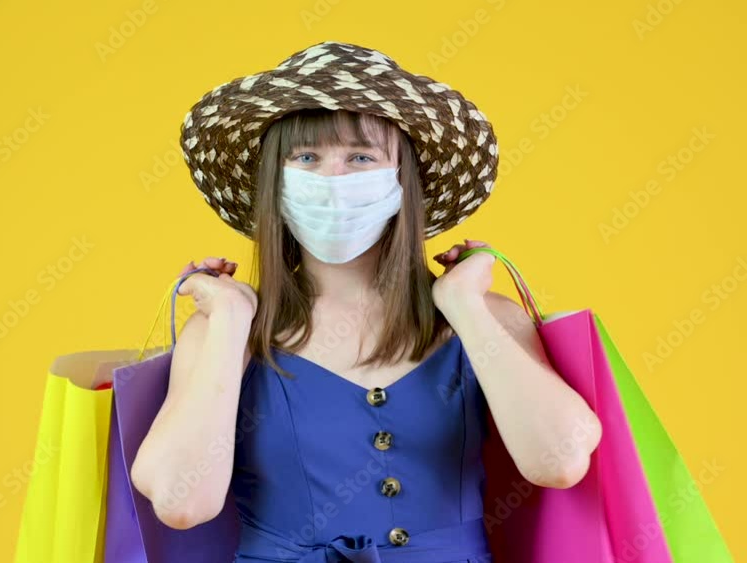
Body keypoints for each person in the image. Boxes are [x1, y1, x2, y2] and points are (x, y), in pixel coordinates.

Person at [130, 41, 601, 562]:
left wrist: (465, 305)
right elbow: (180, 502)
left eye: (360, 157)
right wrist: (230, 321)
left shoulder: (484, 318)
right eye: (306, 157)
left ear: (403, 179)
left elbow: (559, 461)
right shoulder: (224, 332)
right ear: (275, 183)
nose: (332, 178)